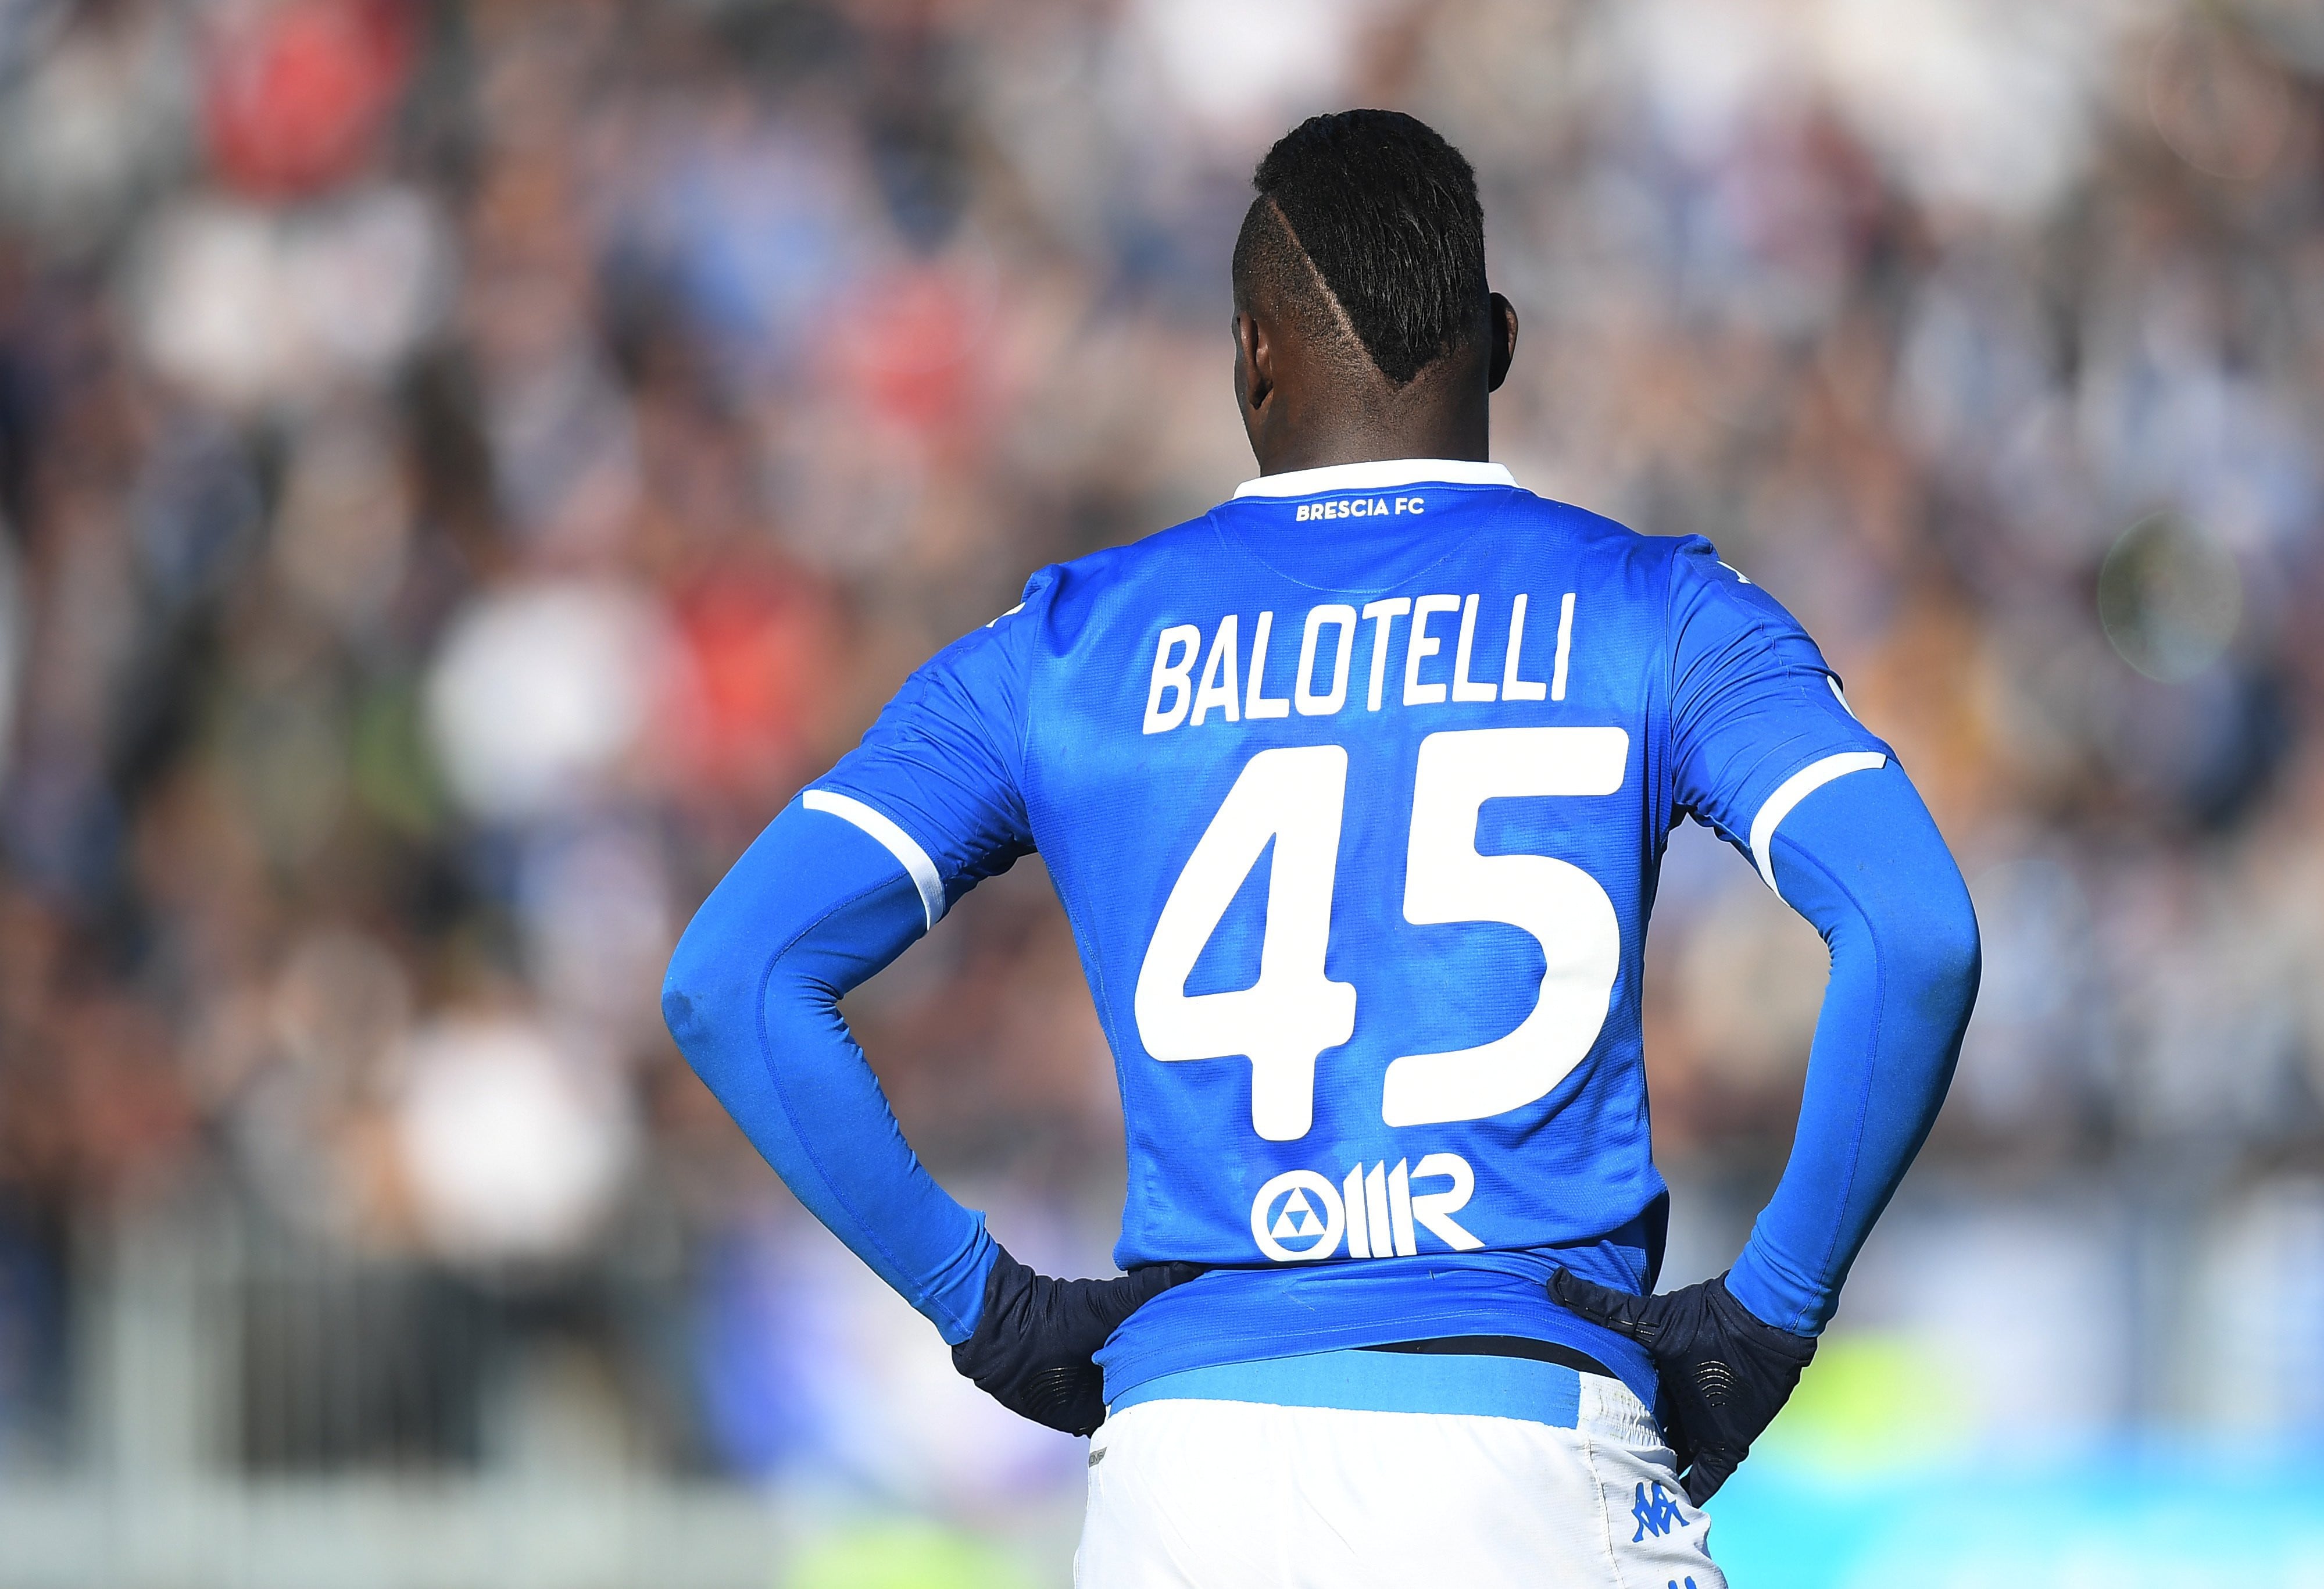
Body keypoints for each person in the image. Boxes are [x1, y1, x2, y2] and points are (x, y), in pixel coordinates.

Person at [662, 109, 1979, 1588]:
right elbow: (1914, 930)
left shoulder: (1059, 647)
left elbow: (737, 975)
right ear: (1496, 339)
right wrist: (1772, 1313)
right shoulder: (1659, 609)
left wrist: (991, 1309)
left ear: (1249, 355)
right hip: (1523, 1436)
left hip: (1185, 1478)